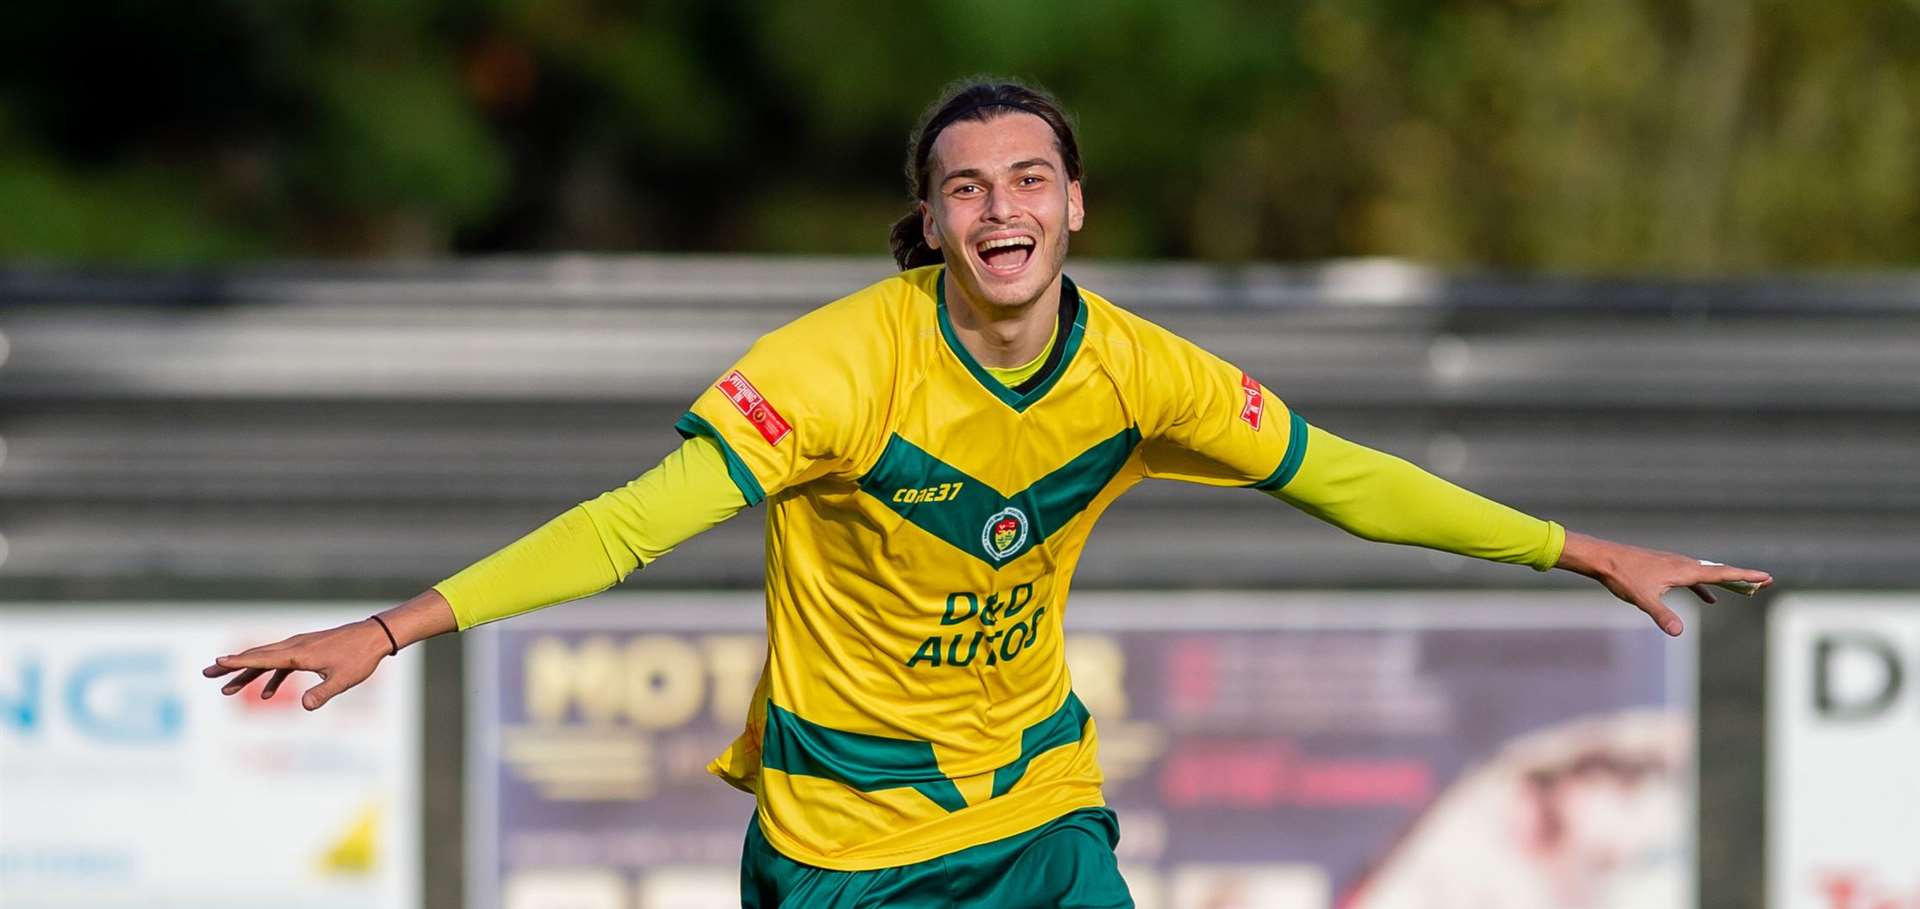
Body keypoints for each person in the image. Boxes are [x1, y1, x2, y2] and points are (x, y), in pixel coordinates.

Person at [203, 79, 1772, 909]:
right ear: (935, 220)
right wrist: (393, 629)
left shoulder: (1143, 373)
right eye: (967, 185)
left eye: (1029, 177)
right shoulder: (833, 370)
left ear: (1074, 204)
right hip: (837, 835)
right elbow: (629, 520)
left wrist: (1584, 549)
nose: (1000, 206)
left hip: (1034, 803)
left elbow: (1347, 482)